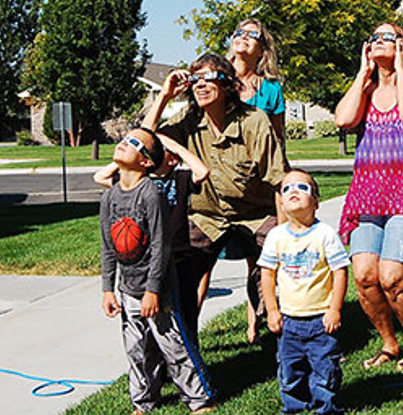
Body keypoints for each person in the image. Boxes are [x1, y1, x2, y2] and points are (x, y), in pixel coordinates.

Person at [144, 53, 288, 341]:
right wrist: (164, 97)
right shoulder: (189, 119)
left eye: (208, 78)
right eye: (194, 79)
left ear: (226, 85)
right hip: (206, 215)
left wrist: (286, 237)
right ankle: (183, 345)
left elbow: (279, 182)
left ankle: (277, 336)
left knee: (270, 276)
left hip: (257, 213)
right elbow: (143, 141)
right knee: (180, 274)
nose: (199, 85)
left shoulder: (253, 121)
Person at [334, 22, 403, 372]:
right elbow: (343, 119)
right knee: (365, 277)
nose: (379, 41)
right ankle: (389, 344)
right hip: (368, 197)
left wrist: (398, 71)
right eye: (374, 37)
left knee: (392, 277)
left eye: (388, 37)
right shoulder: (364, 89)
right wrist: (363, 74)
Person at [100, 127, 216, 414]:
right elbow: (107, 247)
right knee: (137, 349)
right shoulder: (110, 198)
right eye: (125, 139)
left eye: (134, 143)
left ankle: (200, 399)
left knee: (174, 346)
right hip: (127, 289)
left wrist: (153, 291)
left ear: (146, 162)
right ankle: (143, 402)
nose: (124, 143)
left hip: (159, 289)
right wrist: (107, 289)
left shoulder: (151, 193)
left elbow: (161, 247)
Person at [94, 131, 210, 344]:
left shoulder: (180, 179)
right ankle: (160, 369)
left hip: (178, 260)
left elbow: (202, 172)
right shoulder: (137, 184)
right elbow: (100, 177)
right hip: (148, 263)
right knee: (152, 328)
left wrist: (174, 145)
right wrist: (132, 148)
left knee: (182, 323)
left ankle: (190, 362)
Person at [259, 169, 349, 415]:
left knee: (325, 368)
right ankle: (294, 406)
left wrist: (335, 309)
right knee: (289, 369)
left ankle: (325, 406)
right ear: (281, 202)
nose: (294, 191)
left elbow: (340, 272)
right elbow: (267, 275)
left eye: (302, 187)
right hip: (288, 320)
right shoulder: (276, 236)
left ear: (316, 202)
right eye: (286, 189)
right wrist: (272, 310)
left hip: (321, 319)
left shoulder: (325, 235)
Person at [222, 18, 286, 342]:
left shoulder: (271, 90)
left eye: (253, 35)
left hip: (261, 186)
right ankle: (186, 335)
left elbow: (279, 140)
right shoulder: (217, 80)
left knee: (261, 259)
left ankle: (257, 323)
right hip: (222, 186)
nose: (244, 38)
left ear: (262, 50)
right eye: (240, 32)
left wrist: (284, 186)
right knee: (200, 265)